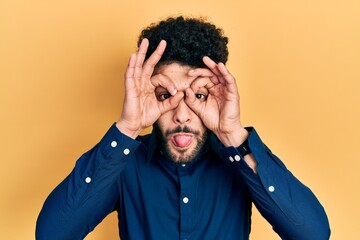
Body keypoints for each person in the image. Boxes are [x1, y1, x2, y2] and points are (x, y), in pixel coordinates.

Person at [36, 16, 330, 240]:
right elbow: (52, 233)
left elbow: (313, 234)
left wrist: (232, 134)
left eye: (198, 96)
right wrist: (127, 127)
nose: (181, 115)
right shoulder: (123, 164)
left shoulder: (239, 162)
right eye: (166, 96)